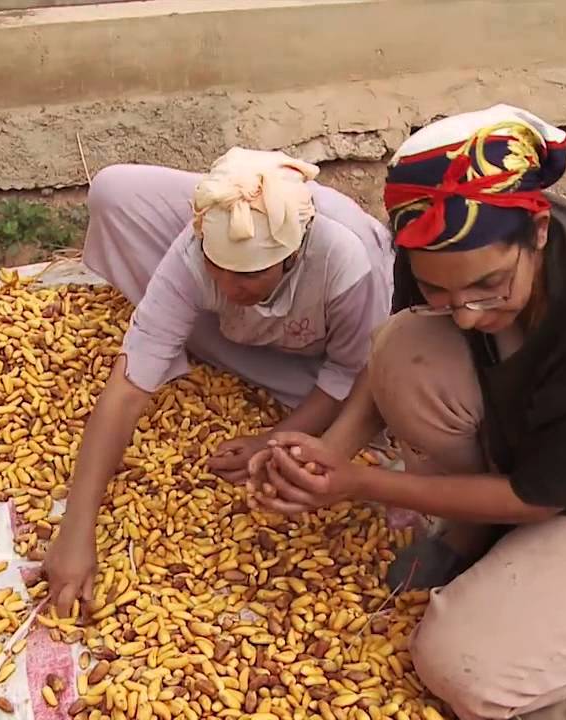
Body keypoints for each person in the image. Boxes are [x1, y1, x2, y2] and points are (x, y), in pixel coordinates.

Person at [248, 105, 566, 720]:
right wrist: (333, 450)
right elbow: (393, 354)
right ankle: (482, 535)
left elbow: (540, 498)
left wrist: (359, 482)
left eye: (488, 286)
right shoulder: (442, 239)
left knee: (462, 667)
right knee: (404, 348)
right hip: (552, 464)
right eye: (441, 290)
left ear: (539, 231)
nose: (464, 313)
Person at [43, 147, 393, 614]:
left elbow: (348, 372)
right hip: (256, 330)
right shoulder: (193, 252)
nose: (229, 288)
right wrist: (75, 530)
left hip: (324, 345)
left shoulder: (345, 257)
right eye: (217, 269)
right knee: (115, 192)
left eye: (249, 275)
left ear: (291, 256)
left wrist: (273, 439)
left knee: (380, 397)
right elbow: (127, 389)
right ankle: (237, 339)